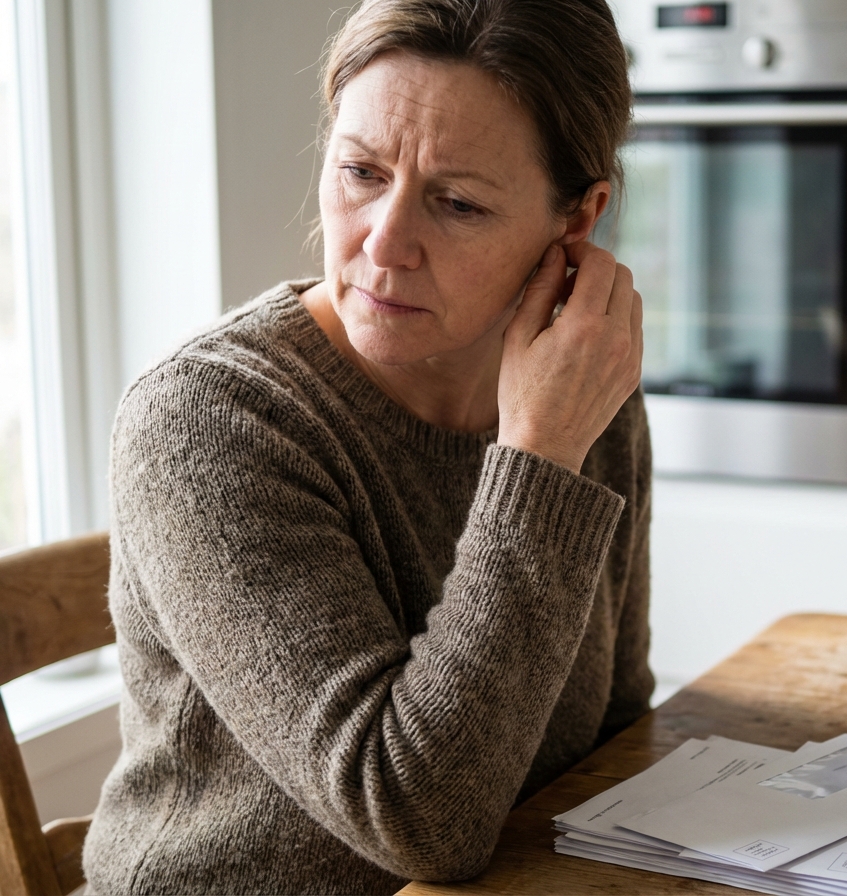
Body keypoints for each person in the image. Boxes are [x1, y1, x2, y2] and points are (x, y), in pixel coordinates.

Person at [81, 1, 651, 893]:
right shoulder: (209, 420)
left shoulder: (580, 388)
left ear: (577, 220)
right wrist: (538, 459)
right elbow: (420, 822)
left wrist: (550, 437)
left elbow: (617, 726)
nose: (383, 244)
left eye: (457, 203)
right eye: (358, 171)